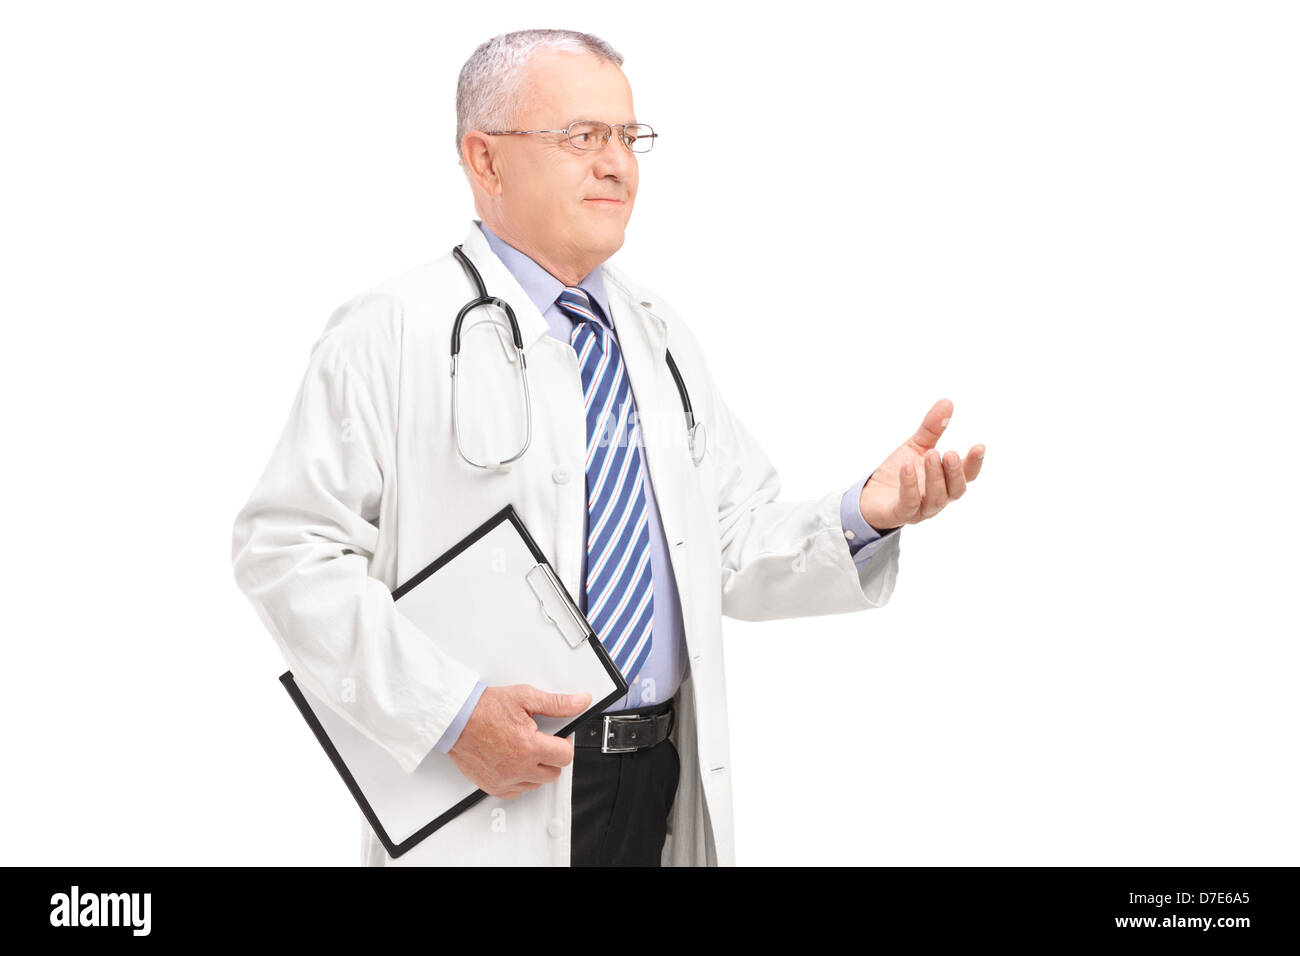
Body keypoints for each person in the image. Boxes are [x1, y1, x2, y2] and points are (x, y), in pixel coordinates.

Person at [230, 27, 985, 867]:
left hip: (654, 778)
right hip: (493, 789)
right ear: (485, 160)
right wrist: (448, 713)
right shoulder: (389, 331)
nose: (617, 163)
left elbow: (723, 543)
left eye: (629, 137)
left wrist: (862, 514)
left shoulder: (658, 336)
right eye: (581, 136)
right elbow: (285, 549)